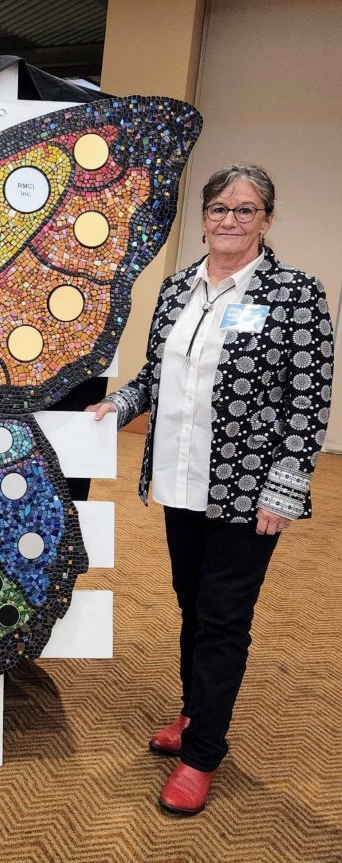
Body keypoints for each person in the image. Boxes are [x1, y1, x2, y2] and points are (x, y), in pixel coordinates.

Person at [87, 163, 334, 815]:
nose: (230, 219)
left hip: (247, 490)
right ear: (204, 217)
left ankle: (203, 754)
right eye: (220, 207)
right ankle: (196, 714)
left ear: (267, 220)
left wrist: (284, 486)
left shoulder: (294, 294)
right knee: (191, 604)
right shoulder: (175, 290)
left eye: (246, 209)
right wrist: (117, 403)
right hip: (178, 476)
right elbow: (155, 374)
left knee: (224, 617)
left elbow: (308, 401)